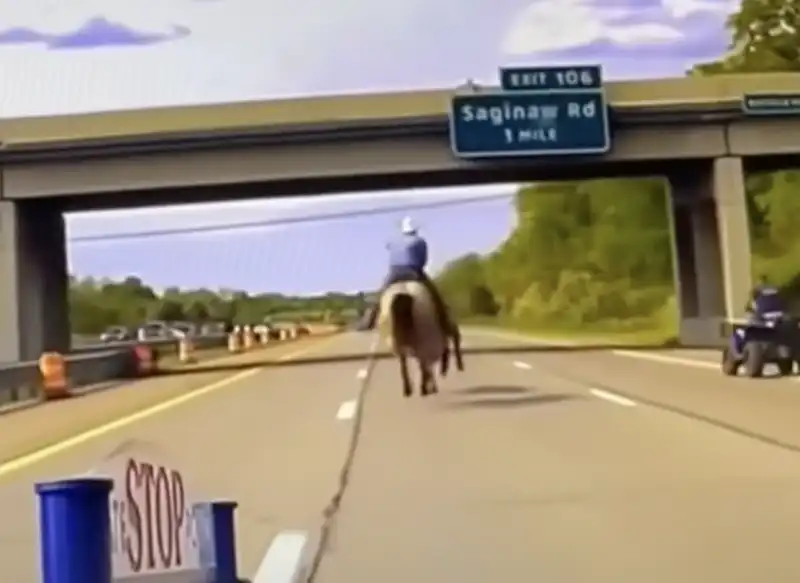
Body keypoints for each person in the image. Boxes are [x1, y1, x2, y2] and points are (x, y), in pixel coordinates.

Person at [364, 217, 451, 332]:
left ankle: (369, 320)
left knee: (380, 296)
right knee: (435, 295)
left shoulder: (394, 240)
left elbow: (388, 246)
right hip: (414, 271)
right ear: (415, 230)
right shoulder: (420, 241)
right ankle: (444, 322)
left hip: (394, 272)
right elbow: (423, 260)